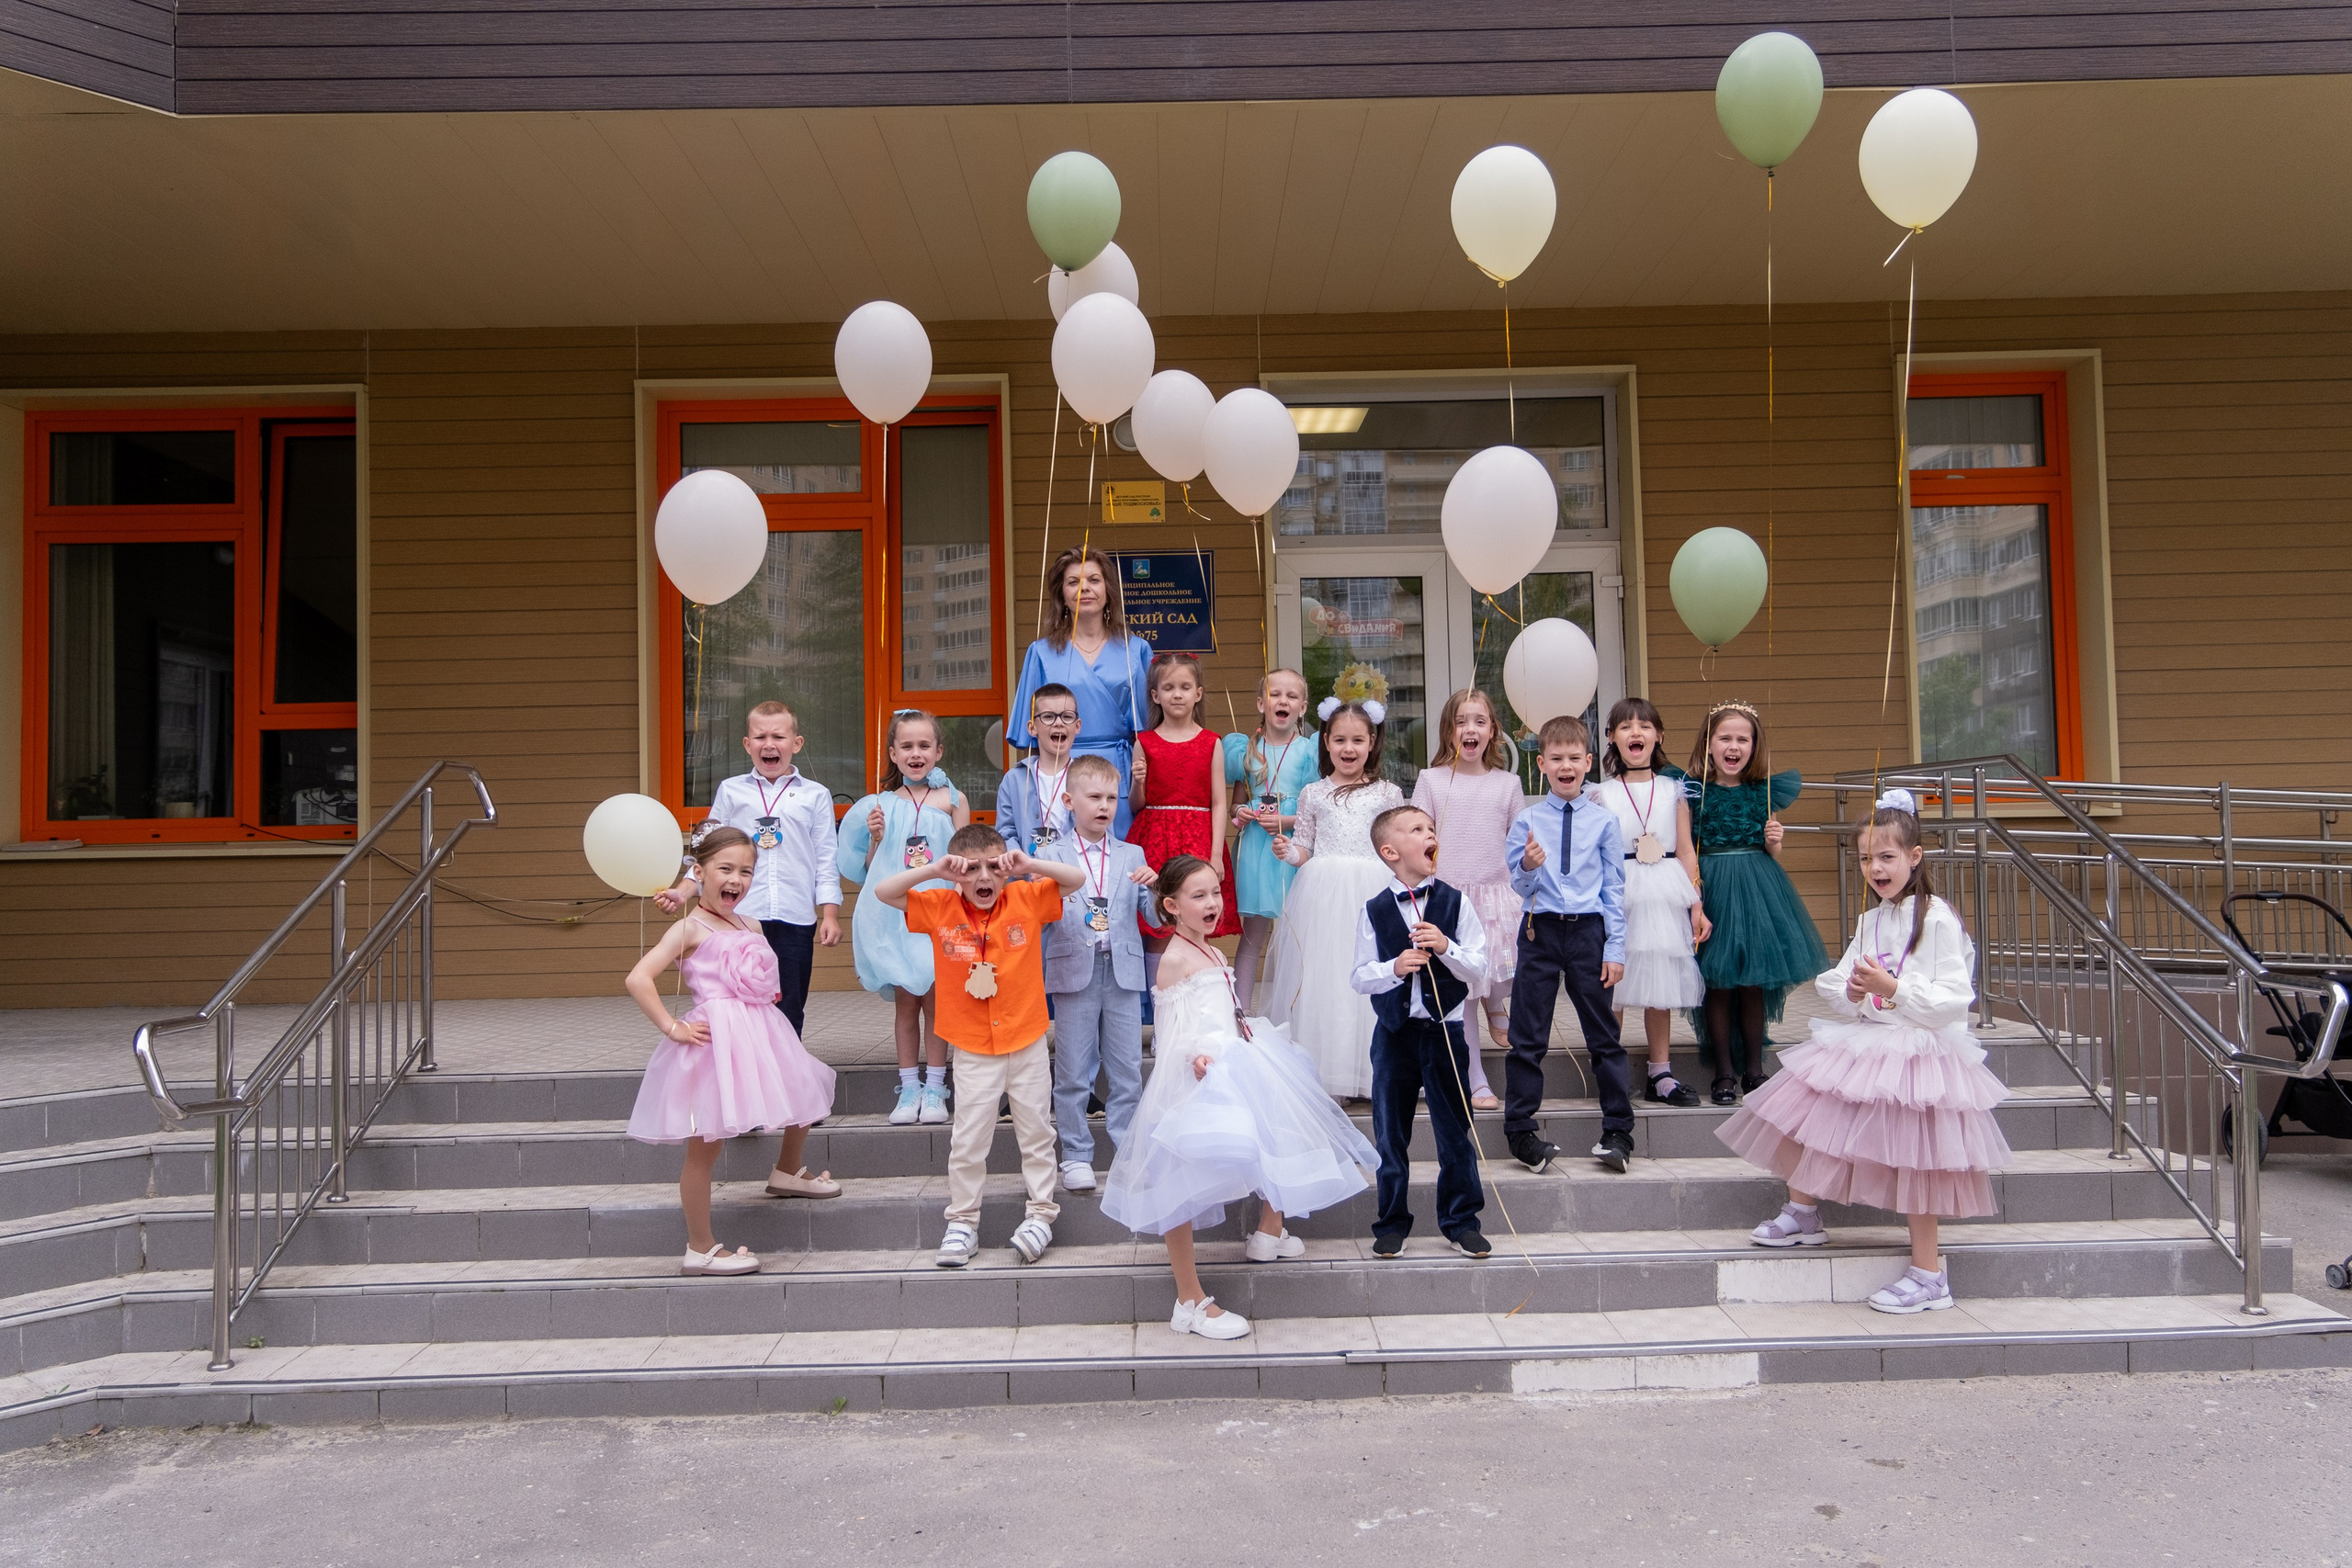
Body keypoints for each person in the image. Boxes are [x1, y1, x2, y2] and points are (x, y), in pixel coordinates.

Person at [1719, 789, 2014, 1314]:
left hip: (1922, 1054)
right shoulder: (1872, 918)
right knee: (1806, 1112)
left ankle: (1929, 1272)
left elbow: (1953, 1000)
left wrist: (1892, 987)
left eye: (1887, 857)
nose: (1875, 868)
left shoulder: (1937, 918)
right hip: (1874, 1039)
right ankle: (1804, 1208)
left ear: (1914, 857)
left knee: (1918, 1159)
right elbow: (1839, 977)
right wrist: (1852, 992)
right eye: (1865, 858)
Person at [1102, 856, 1379, 1340]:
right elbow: (1171, 1033)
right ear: (1171, 906)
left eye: (1215, 893)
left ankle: (1270, 1229)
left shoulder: (1211, 951)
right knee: (1179, 1183)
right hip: (1202, 1075)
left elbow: (1227, 1010)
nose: (1212, 903)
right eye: (1198, 896)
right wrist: (1196, 1059)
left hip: (1239, 1056)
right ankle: (1188, 1299)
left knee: (1280, 1128)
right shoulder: (1175, 959)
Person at [623, 827, 841, 1278]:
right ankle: (699, 1247)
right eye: (725, 869)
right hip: (716, 1043)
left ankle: (786, 1171)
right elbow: (638, 978)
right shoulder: (689, 927)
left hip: (761, 1030)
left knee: (802, 1088)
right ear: (698, 872)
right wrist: (672, 1026)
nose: (736, 880)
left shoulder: (751, 923)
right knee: (706, 1145)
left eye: (746, 871)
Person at [872, 826, 1088, 1269]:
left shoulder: (1026, 898)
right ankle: (963, 1223)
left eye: (994, 866)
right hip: (972, 1046)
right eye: (972, 869)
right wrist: (933, 869)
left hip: (1026, 1040)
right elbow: (882, 891)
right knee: (969, 1138)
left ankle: (1041, 1214)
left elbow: (1075, 880)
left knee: (1036, 1132)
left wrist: (1027, 864)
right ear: (957, 873)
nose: (984, 876)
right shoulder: (938, 906)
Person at [1351, 805, 1490, 1259]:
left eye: (1431, 828)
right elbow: (1360, 976)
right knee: (1391, 1134)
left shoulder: (1455, 901)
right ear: (1391, 852)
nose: (1430, 834)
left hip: (1446, 1033)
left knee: (1455, 1132)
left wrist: (1446, 947)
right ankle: (1391, 1222)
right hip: (1394, 1034)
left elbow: (1478, 965)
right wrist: (1394, 967)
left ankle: (1461, 1220)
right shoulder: (1374, 909)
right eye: (1417, 829)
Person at [656, 700, 842, 1036]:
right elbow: (707, 849)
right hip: (738, 917)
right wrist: (683, 891)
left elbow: (826, 857)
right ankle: (745, 1072)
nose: (769, 745)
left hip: (795, 917)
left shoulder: (816, 795)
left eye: (778, 737)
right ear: (747, 744)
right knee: (741, 1002)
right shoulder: (732, 790)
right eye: (760, 737)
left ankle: (784, 1080)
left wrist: (829, 913)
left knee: (788, 1005)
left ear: (796, 744)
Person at [1502, 715, 1634, 1175]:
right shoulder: (1527, 820)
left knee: (1604, 1035)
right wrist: (1530, 865)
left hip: (1588, 933)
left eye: (1574, 758)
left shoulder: (1604, 822)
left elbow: (1614, 889)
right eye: (1556, 758)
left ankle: (1618, 1131)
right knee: (1527, 1035)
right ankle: (1521, 1132)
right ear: (1541, 764)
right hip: (1539, 929)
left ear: (1588, 762)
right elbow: (1519, 886)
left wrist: (1615, 948)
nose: (1565, 765)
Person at [1262, 697, 1406, 1100]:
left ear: (1372, 742)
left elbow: (1395, 847)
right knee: (1328, 981)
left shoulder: (1388, 793)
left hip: (1372, 892)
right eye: (1339, 739)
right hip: (1323, 897)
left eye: (1357, 740)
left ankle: (1376, 1071)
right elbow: (1305, 847)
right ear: (1325, 742)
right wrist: (1287, 851)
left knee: (1372, 974)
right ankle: (1332, 1073)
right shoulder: (1313, 794)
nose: (1348, 749)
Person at [1687, 699, 1829, 1106]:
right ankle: (1723, 1072)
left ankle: (1754, 1067)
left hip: (1757, 890)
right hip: (1712, 887)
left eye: (1742, 739)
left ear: (1754, 746)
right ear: (1709, 744)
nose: (1734, 746)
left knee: (1751, 981)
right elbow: (1687, 847)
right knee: (1716, 982)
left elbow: (1772, 852)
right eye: (1725, 738)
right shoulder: (1694, 792)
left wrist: (1775, 842)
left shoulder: (1762, 792)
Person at [837, 709, 971, 1127]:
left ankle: (936, 1086)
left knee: (936, 1000)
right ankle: (908, 1085)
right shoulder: (876, 806)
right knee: (905, 1003)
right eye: (907, 746)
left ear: (938, 751)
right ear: (893, 754)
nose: (916, 754)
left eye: (924, 746)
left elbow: (966, 861)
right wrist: (875, 837)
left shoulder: (954, 801)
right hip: (893, 915)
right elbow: (870, 868)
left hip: (938, 913)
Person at [1037, 754, 1154, 1194]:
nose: (1104, 806)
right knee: (1072, 1070)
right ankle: (1076, 1156)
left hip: (1122, 970)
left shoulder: (1132, 854)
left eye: (1111, 797)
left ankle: (1127, 1152)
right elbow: (1042, 915)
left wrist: (1155, 887)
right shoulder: (1049, 854)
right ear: (1069, 800)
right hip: (1073, 970)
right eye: (1094, 797)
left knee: (1126, 1068)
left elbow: (1155, 920)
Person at [1408, 687, 1523, 1110]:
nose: (1469, 729)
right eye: (1461, 722)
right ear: (1449, 731)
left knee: (1493, 971)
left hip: (1497, 895)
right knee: (1465, 993)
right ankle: (1476, 1078)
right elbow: (1418, 835)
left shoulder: (1508, 783)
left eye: (1479, 721)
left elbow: (1516, 842)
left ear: (1493, 732)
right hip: (1452, 899)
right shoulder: (1432, 780)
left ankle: (1499, 1006)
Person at [1590, 697, 1707, 1109]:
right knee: (1616, 981)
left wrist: (1696, 902)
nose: (1635, 733)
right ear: (1610, 738)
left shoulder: (1675, 790)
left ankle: (1661, 1071)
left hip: (1665, 887)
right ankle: (1611, 1068)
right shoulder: (1600, 794)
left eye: (1644, 726)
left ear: (1658, 736)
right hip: (1620, 888)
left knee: (1660, 979)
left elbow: (1687, 850)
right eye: (1624, 727)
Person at [1010, 545, 1156, 836]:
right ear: (1061, 593)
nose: (1084, 588)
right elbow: (1030, 738)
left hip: (1119, 774)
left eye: (1094, 580)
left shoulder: (1136, 649)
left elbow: (1151, 732)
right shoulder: (1041, 652)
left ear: (1108, 589)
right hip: (1061, 773)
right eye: (1073, 582)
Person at [1222, 668, 1318, 1012]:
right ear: (1262, 703)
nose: (1284, 701)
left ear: (1303, 707)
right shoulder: (1246, 750)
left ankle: (1298, 1010)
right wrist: (1241, 814)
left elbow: (1315, 808)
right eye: (1276, 694)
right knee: (1253, 934)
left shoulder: (1309, 751)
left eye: (1292, 696)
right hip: (1256, 848)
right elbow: (1236, 803)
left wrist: (1285, 820)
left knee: (1297, 931)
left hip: (1293, 844)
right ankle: (1242, 1010)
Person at [1129, 652, 1237, 945]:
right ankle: (1158, 990)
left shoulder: (1211, 742)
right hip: (1154, 839)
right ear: (1155, 695)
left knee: (1196, 917)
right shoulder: (1144, 742)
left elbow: (1218, 802)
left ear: (1198, 693)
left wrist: (1215, 855)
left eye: (1185, 687)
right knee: (1157, 923)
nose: (1177, 695)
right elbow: (1136, 805)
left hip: (1197, 840)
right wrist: (1138, 783)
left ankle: (1196, 986)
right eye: (1168, 688)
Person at [997, 682, 1080, 854]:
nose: (1059, 723)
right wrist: (1018, 859)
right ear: (1032, 728)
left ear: (1077, 726)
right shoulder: (1014, 779)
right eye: (1048, 717)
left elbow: (1102, 833)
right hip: (1028, 875)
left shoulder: (1090, 777)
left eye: (1067, 716)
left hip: (1076, 874)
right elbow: (1005, 832)